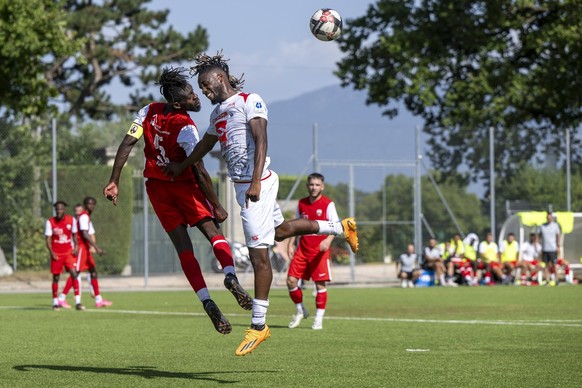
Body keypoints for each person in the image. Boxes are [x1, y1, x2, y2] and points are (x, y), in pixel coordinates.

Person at [164, 52, 358, 356]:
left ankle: (258, 325)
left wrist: (255, 181)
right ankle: (340, 227)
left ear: (220, 78)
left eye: (205, 84)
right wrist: (182, 165)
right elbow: (205, 145)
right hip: (248, 188)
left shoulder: (249, 100)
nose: (203, 90)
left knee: (259, 258)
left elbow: (261, 138)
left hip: (258, 185)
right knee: (280, 231)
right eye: (200, 86)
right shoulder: (217, 114)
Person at [103, 67, 254, 334]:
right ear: (177, 103)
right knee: (213, 233)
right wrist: (216, 204)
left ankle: (207, 301)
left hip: (157, 189)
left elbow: (127, 143)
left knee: (184, 249)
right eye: (191, 97)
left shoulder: (147, 111)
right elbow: (199, 169)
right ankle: (230, 275)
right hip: (183, 186)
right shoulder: (186, 126)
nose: (196, 99)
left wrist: (114, 179)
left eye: (196, 93)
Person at [286, 173, 339, 330]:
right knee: (290, 281)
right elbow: (295, 226)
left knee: (319, 285)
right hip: (302, 248)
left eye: (317, 185)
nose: (314, 187)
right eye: (311, 184)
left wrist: (327, 240)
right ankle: (300, 310)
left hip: (319, 250)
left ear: (322, 186)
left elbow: (337, 226)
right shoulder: (301, 203)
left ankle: (318, 319)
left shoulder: (328, 204)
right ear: (307, 186)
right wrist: (290, 243)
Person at [59, 197, 112, 308]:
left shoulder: (86, 216)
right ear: (85, 205)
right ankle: (61, 298)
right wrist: (96, 248)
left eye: (93, 204)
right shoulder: (83, 216)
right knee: (76, 273)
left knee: (93, 272)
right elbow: (84, 234)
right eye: (89, 204)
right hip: (82, 247)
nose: (91, 206)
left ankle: (98, 300)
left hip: (86, 248)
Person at [45, 201, 81, 310]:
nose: (59, 211)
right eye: (57, 209)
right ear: (55, 210)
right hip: (57, 254)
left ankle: (78, 302)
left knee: (74, 274)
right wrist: (52, 253)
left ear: (64, 209)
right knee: (56, 278)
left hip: (68, 252)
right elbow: (47, 239)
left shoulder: (71, 220)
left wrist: (76, 247)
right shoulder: (50, 222)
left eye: (61, 209)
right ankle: (55, 302)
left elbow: (74, 235)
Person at [537, 212, 562, 286]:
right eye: (547, 217)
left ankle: (556, 280)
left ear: (552, 217)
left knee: (554, 265)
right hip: (545, 249)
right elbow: (538, 235)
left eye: (550, 217)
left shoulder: (555, 226)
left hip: (553, 249)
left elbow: (558, 236)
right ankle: (547, 280)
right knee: (546, 266)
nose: (549, 218)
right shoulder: (542, 226)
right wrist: (538, 244)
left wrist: (558, 246)